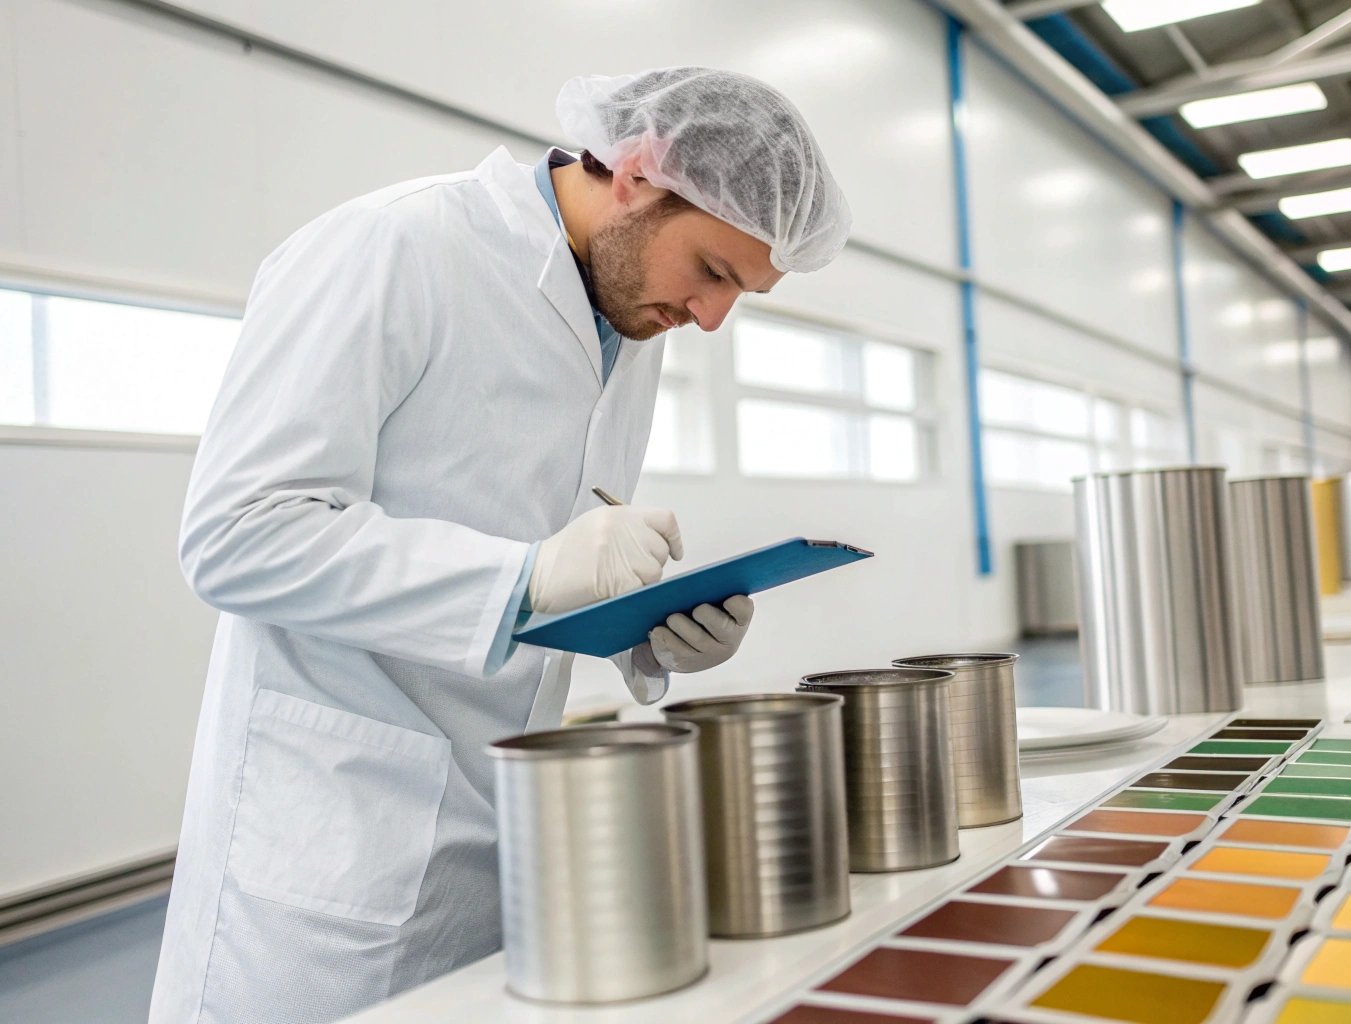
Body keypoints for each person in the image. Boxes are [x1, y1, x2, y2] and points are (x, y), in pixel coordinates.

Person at [148, 66, 850, 1023]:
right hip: (333, 837)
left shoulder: (629, 319)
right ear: (638, 174)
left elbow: (545, 555)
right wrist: (525, 577)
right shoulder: (395, 245)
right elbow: (238, 533)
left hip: (506, 822)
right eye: (714, 271)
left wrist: (649, 631)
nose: (712, 317)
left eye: (743, 293)